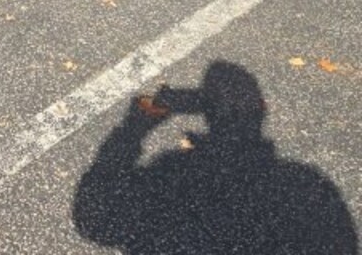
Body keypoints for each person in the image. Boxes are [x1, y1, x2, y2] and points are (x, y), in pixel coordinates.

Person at [73, 61, 358, 254]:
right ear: (261, 109)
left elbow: (92, 216)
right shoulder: (306, 184)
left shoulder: (170, 174)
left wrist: (133, 129)